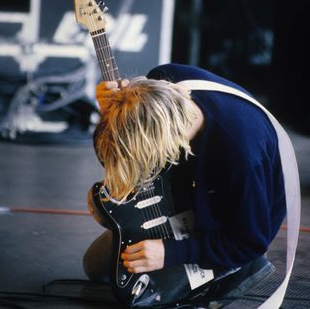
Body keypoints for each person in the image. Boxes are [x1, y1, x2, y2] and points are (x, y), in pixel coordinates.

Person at [83, 63, 286, 305]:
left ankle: (232, 271)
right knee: (94, 266)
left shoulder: (240, 154)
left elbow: (250, 241)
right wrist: (109, 112)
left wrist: (170, 253)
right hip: (184, 193)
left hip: (226, 223)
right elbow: (130, 155)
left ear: (163, 147)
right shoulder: (163, 78)